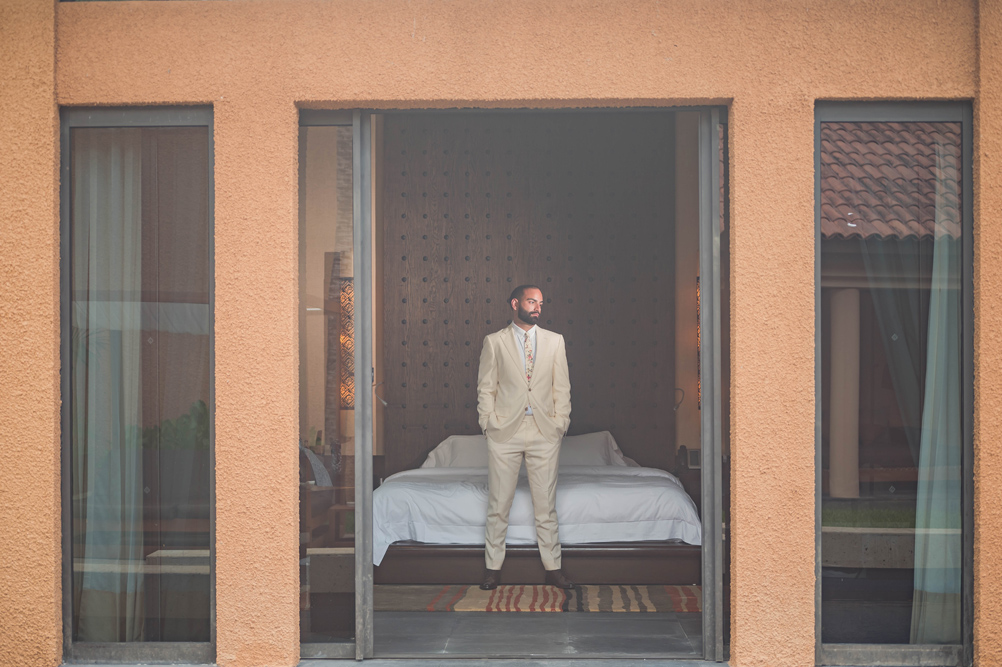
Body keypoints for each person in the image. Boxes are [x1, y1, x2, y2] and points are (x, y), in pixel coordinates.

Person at [476, 284, 574, 590]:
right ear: (515, 303)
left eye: (541, 303)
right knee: (498, 503)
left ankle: (553, 568)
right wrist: (488, 423)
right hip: (505, 432)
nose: (538, 307)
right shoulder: (494, 342)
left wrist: (560, 424)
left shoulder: (555, 341)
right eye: (532, 301)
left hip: (545, 432)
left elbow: (562, 387)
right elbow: (486, 387)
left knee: (546, 505)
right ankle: (492, 568)